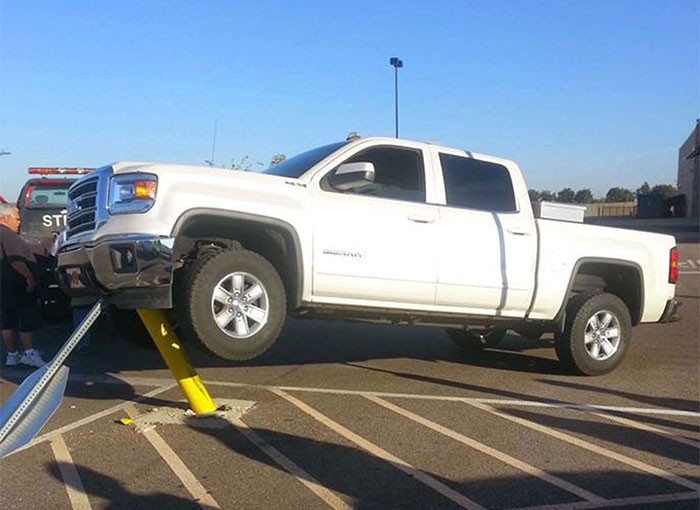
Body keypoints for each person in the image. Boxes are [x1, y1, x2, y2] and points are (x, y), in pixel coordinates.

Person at [0, 204, 46, 367]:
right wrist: (29, 278)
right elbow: (16, 259)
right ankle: (29, 353)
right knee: (27, 318)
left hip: (3, 287)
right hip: (18, 285)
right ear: (5, 218)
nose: (19, 222)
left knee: (7, 322)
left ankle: (12, 355)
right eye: (16, 218)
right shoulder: (9, 236)